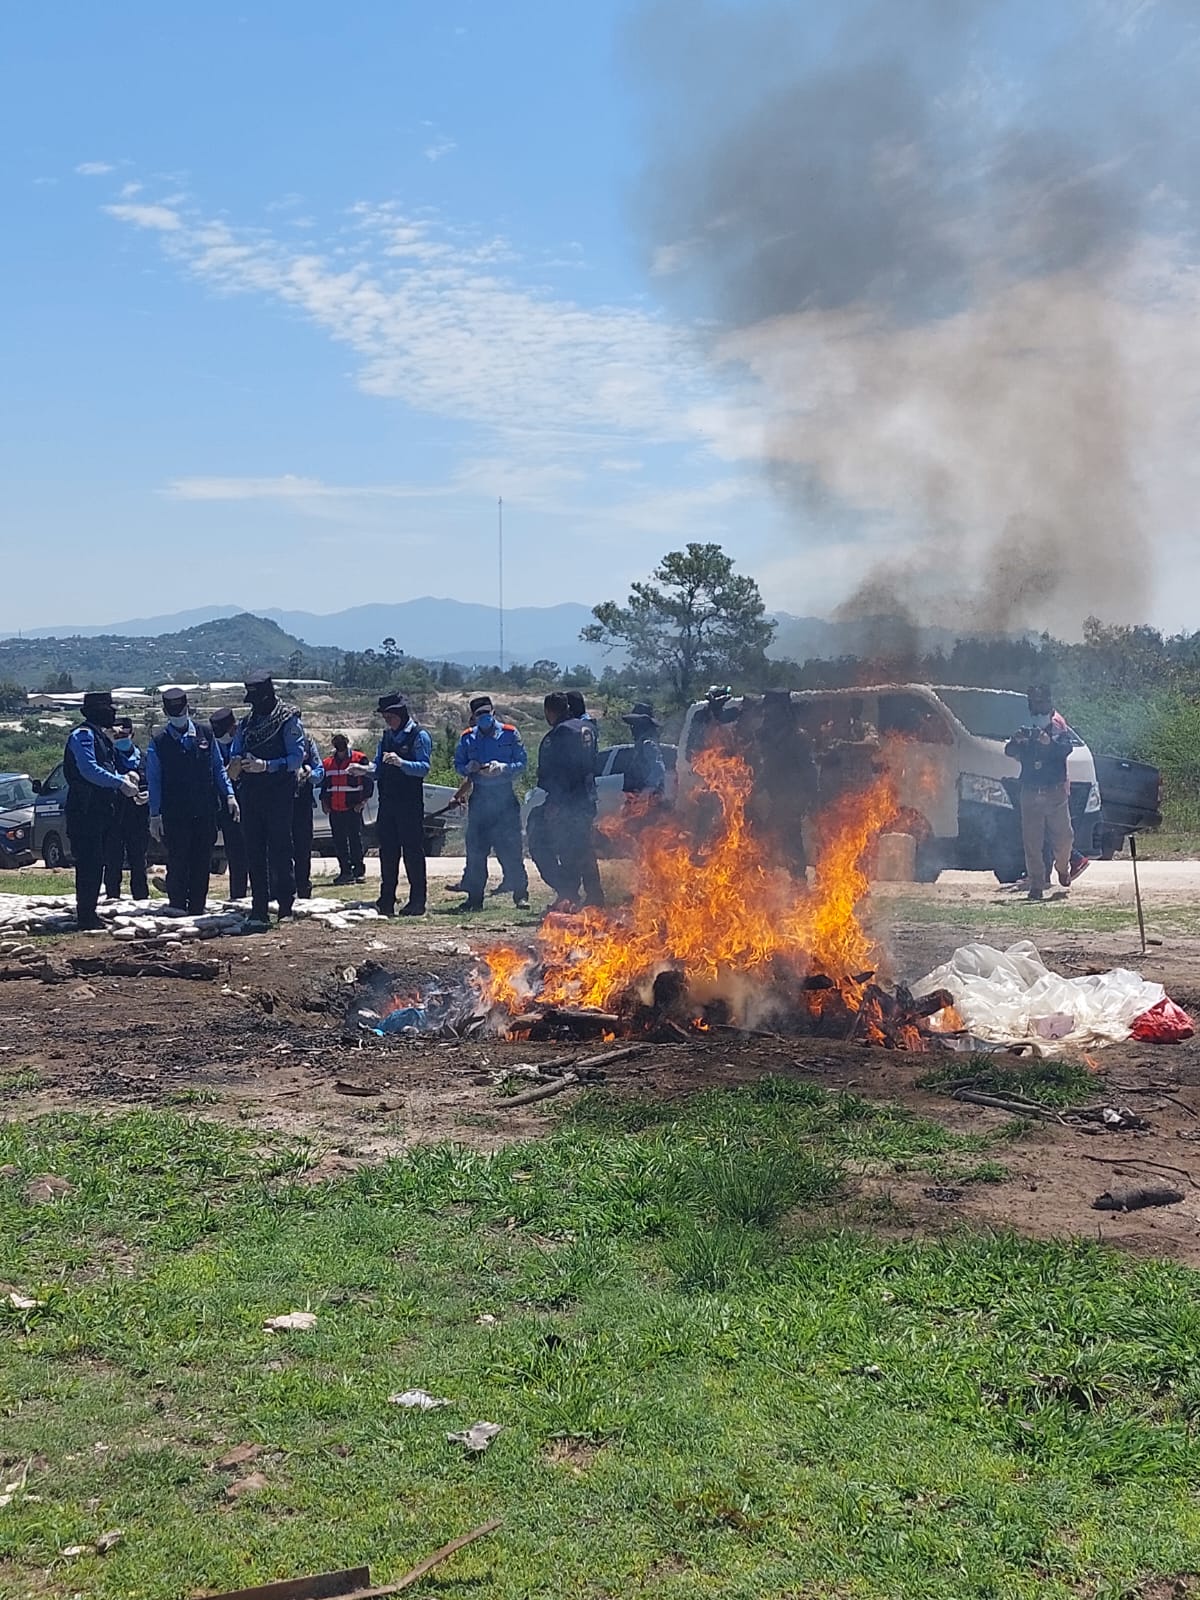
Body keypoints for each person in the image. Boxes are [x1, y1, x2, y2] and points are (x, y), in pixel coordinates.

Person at [228, 670, 306, 932]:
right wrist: (236, 764)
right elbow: (236, 750)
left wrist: (267, 765)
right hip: (251, 793)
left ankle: (285, 905)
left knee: (281, 850)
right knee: (254, 850)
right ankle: (259, 906)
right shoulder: (247, 724)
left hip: (278, 793)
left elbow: (296, 758)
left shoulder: (288, 720)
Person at [146, 688, 237, 916]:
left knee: (201, 860)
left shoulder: (205, 734)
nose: (178, 715)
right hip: (175, 813)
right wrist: (155, 814)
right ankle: (177, 904)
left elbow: (218, 768)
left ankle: (197, 905)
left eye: (180, 711)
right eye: (173, 712)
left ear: (187, 708)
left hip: (204, 810)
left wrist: (229, 794)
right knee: (178, 859)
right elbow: (154, 779)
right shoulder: (159, 741)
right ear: (166, 712)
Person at [64, 690, 141, 930]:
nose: (113, 713)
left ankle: (91, 911)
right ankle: (85, 915)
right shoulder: (83, 735)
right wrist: (120, 783)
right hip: (84, 810)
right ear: (96, 712)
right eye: (108, 710)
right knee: (89, 863)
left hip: (99, 811)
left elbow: (107, 767)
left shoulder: (100, 736)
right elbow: (89, 770)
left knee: (98, 863)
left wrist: (124, 776)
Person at [453, 696, 529, 912]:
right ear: (474, 717)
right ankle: (474, 899)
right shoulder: (468, 737)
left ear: (493, 712)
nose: (485, 717)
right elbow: (458, 764)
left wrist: (504, 768)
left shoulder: (510, 733)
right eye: (480, 714)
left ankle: (521, 895)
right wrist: (468, 767)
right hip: (480, 798)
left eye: (487, 712)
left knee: (511, 849)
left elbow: (522, 763)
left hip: (504, 797)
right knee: (476, 852)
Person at [1005, 684, 1075, 902]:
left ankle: (1063, 868)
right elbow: (1009, 751)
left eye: (1041, 702)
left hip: (1055, 792)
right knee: (1032, 842)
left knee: (1064, 838)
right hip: (1030, 791)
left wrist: (1048, 743)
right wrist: (1018, 741)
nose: (1038, 708)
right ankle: (1037, 883)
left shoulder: (1058, 728)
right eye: (1034, 703)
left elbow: (1066, 749)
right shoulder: (1027, 727)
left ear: (1049, 703)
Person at [363, 693, 431, 917]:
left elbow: (424, 768)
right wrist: (363, 770)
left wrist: (402, 763)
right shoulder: (386, 737)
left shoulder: (419, 736)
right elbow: (378, 767)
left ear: (400, 714)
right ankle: (386, 899)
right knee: (388, 852)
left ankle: (417, 901)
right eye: (385, 717)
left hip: (409, 804)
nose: (388, 721)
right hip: (387, 803)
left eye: (390, 717)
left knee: (412, 852)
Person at [536, 691, 600, 913]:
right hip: (587, 798)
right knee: (584, 847)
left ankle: (568, 894)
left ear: (549, 711)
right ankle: (594, 895)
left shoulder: (558, 734)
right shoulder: (587, 728)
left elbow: (555, 773)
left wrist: (555, 802)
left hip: (566, 802)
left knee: (559, 847)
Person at [745, 689, 817, 877]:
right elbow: (767, 768)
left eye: (772, 709)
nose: (767, 713)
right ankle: (778, 879)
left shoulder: (797, 737)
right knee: (777, 838)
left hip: (793, 797)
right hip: (776, 796)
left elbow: (808, 770)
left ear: (782, 710)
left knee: (783, 837)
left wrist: (809, 796)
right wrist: (753, 790)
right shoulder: (768, 736)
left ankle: (796, 881)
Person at [103, 716, 150, 902]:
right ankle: (112, 896)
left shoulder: (145, 758)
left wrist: (149, 795)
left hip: (139, 816)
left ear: (133, 734)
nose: (121, 738)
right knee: (113, 859)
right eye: (118, 736)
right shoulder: (109, 758)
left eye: (125, 735)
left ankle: (141, 897)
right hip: (115, 815)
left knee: (138, 859)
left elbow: (155, 780)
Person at [321, 733, 372, 885]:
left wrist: (363, 802)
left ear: (347, 741)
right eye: (336, 741)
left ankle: (359, 872)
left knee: (355, 840)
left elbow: (369, 782)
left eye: (342, 740)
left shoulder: (359, 758)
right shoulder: (327, 763)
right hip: (335, 809)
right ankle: (345, 872)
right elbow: (324, 785)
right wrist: (324, 802)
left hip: (352, 807)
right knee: (339, 842)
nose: (339, 743)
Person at [210, 707, 249, 898]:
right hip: (227, 805)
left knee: (257, 850)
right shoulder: (215, 745)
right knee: (234, 852)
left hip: (249, 801)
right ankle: (237, 895)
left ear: (233, 727)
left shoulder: (247, 739)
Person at [287, 729, 323, 901]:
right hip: (281, 801)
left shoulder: (308, 741)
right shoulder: (279, 737)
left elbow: (319, 771)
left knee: (303, 847)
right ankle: (284, 889)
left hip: (303, 803)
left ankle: (303, 890)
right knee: (282, 847)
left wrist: (310, 774)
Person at [620, 702, 667, 799]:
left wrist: (647, 790)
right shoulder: (641, 744)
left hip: (648, 800)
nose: (632, 728)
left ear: (642, 725)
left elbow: (658, 769)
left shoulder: (648, 743)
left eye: (635, 725)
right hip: (638, 798)